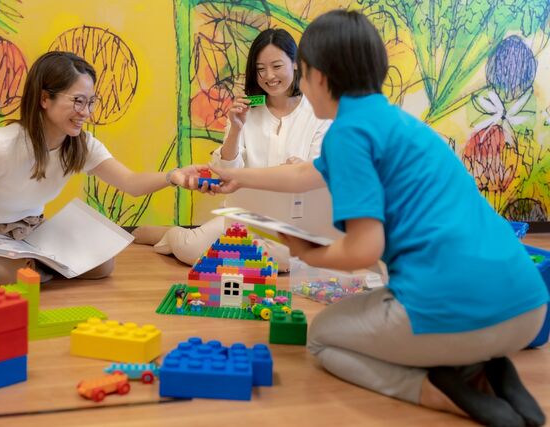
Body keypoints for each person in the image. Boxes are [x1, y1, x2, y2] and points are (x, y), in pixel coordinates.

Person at [210, 10, 548, 427]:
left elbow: (363, 249)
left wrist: (306, 254)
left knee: (321, 339)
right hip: (528, 306)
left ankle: (445, 392)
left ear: (317, 76)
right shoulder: (395, 122)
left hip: (457, 309)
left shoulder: (348, 132)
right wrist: (234, 174)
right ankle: (484, 370)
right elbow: (304, 174)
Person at [0, 51, 206, 285]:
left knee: (102, 266)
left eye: (90, 102)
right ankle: (26, 264)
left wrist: (174, 176)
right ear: (45, 99)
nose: (86, 112)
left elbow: (131, 183)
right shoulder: (0, 146)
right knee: (2, 275)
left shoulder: (81, 145)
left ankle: (30, 263)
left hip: (29, 229)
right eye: (78, 101)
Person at [132, 28, 331, 271]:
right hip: (244, 217)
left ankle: (243, 252)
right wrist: (236, 128)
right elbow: (226, 171)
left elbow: (319, 175)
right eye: (260, 69)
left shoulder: (318, 112)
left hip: (294, 223)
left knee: (292, 258)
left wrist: (301, 167)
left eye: (277, 66)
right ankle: (171, 235)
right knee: (192, 251)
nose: (269, 76)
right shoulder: (247, 111)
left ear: (296, 64)